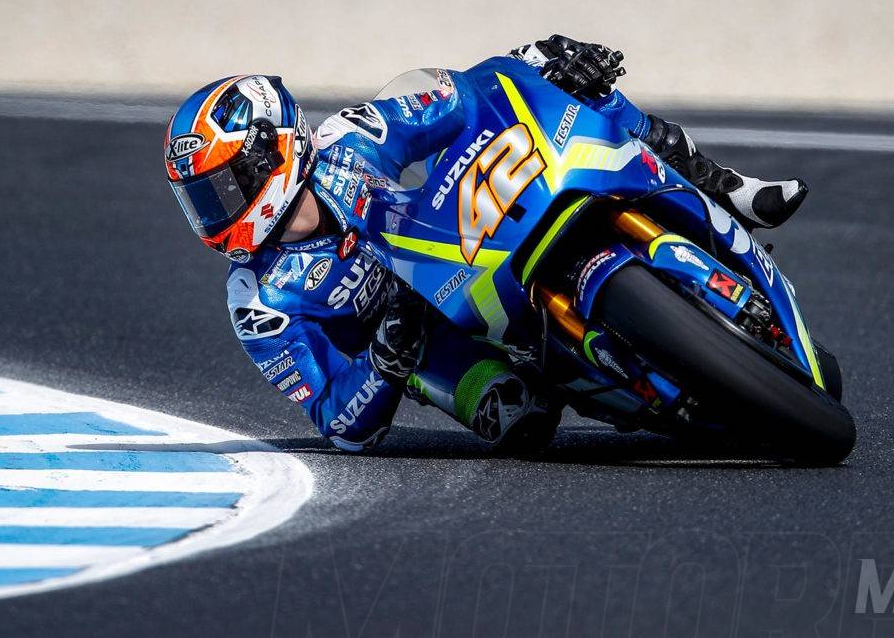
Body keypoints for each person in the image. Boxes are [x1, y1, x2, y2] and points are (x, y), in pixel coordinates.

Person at [164, 36, 807, 453]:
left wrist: (534, 61)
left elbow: (460, 97)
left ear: (267, 154)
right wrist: (385, 362)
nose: (214, 211)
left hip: (472, 242)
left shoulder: (349, 140)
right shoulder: (258, 299)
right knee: (518, 419)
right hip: (432, 343)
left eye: (221, 188)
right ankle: (625, 379)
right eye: (202, 199)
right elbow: (339, 421)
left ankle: (728, 190)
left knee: (584, 86)